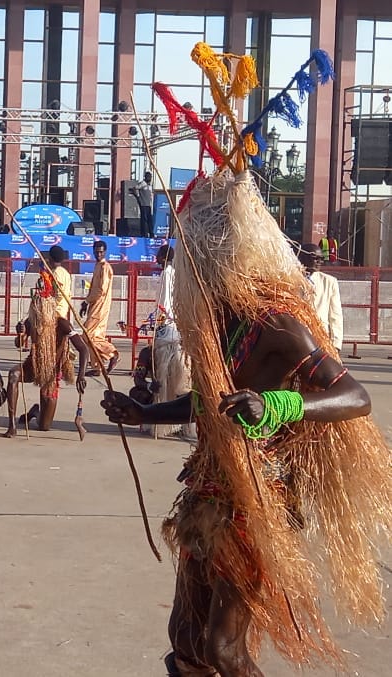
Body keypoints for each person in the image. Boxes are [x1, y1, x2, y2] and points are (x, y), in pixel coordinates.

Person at [101, 170, 392, 676]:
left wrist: (276, 405)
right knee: (186, 641)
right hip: (208, 490)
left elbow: (355, 396)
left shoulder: (278, 322)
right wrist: (145, 412)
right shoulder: (216, 324)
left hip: (259, 497)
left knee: (224, 648)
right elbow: (214, 403)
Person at [4, 276, 88, 437]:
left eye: (42, 309)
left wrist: (81, 376)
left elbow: (83, 349)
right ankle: (12, 425)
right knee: (14, 374)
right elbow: (19, 344)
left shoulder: (62, 324)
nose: (39, 313)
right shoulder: (31, 321)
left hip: (51, 374)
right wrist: (20, 333)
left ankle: (35, 412)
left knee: (44, 426)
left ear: (50, 308)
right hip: (33, 366)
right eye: (37, 309)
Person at [150, 244, 193, 439]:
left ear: (163, 256)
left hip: (168, 329)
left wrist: (161, 321)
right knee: (175, 379)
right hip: (174, 329)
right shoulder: (175, 274)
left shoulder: (168, 274)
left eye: (159, 255)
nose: (156, 258)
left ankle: (167, 423)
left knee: (165, 378)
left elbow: (165, 304)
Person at [80, 240, 119, 376]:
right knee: (94, 335)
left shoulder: (105, 267)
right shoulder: (97, 266)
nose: (98, 254)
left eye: (101, 251)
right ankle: (97, 366)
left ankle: (112, 353)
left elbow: (101, 290)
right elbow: (93, 288)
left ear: (105, 252)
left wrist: (87, 301)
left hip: (100, 306)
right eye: (96, 251)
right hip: (94, 304)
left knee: (88, 334)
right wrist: (86, 303)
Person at [297, 242, 343, 352]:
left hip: (320, 341)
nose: (319, 262)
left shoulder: (329, 282)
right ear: (302, 257)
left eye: (321, 258)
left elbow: (336, 316)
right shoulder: (289, 280)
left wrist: (336, 345)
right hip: (297, 339)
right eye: (315, 258)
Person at [130, 171, 155, 238]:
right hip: (143, 204)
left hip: (148, 204)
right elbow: (135, 188)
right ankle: (144, 233)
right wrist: (138, 197)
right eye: (148, 177)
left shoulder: (150, 185)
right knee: (144, 219)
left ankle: (151, 233)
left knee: (150, 219)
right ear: (145, 177)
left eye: (150, 177)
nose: (149, 178)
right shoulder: (143, 183)